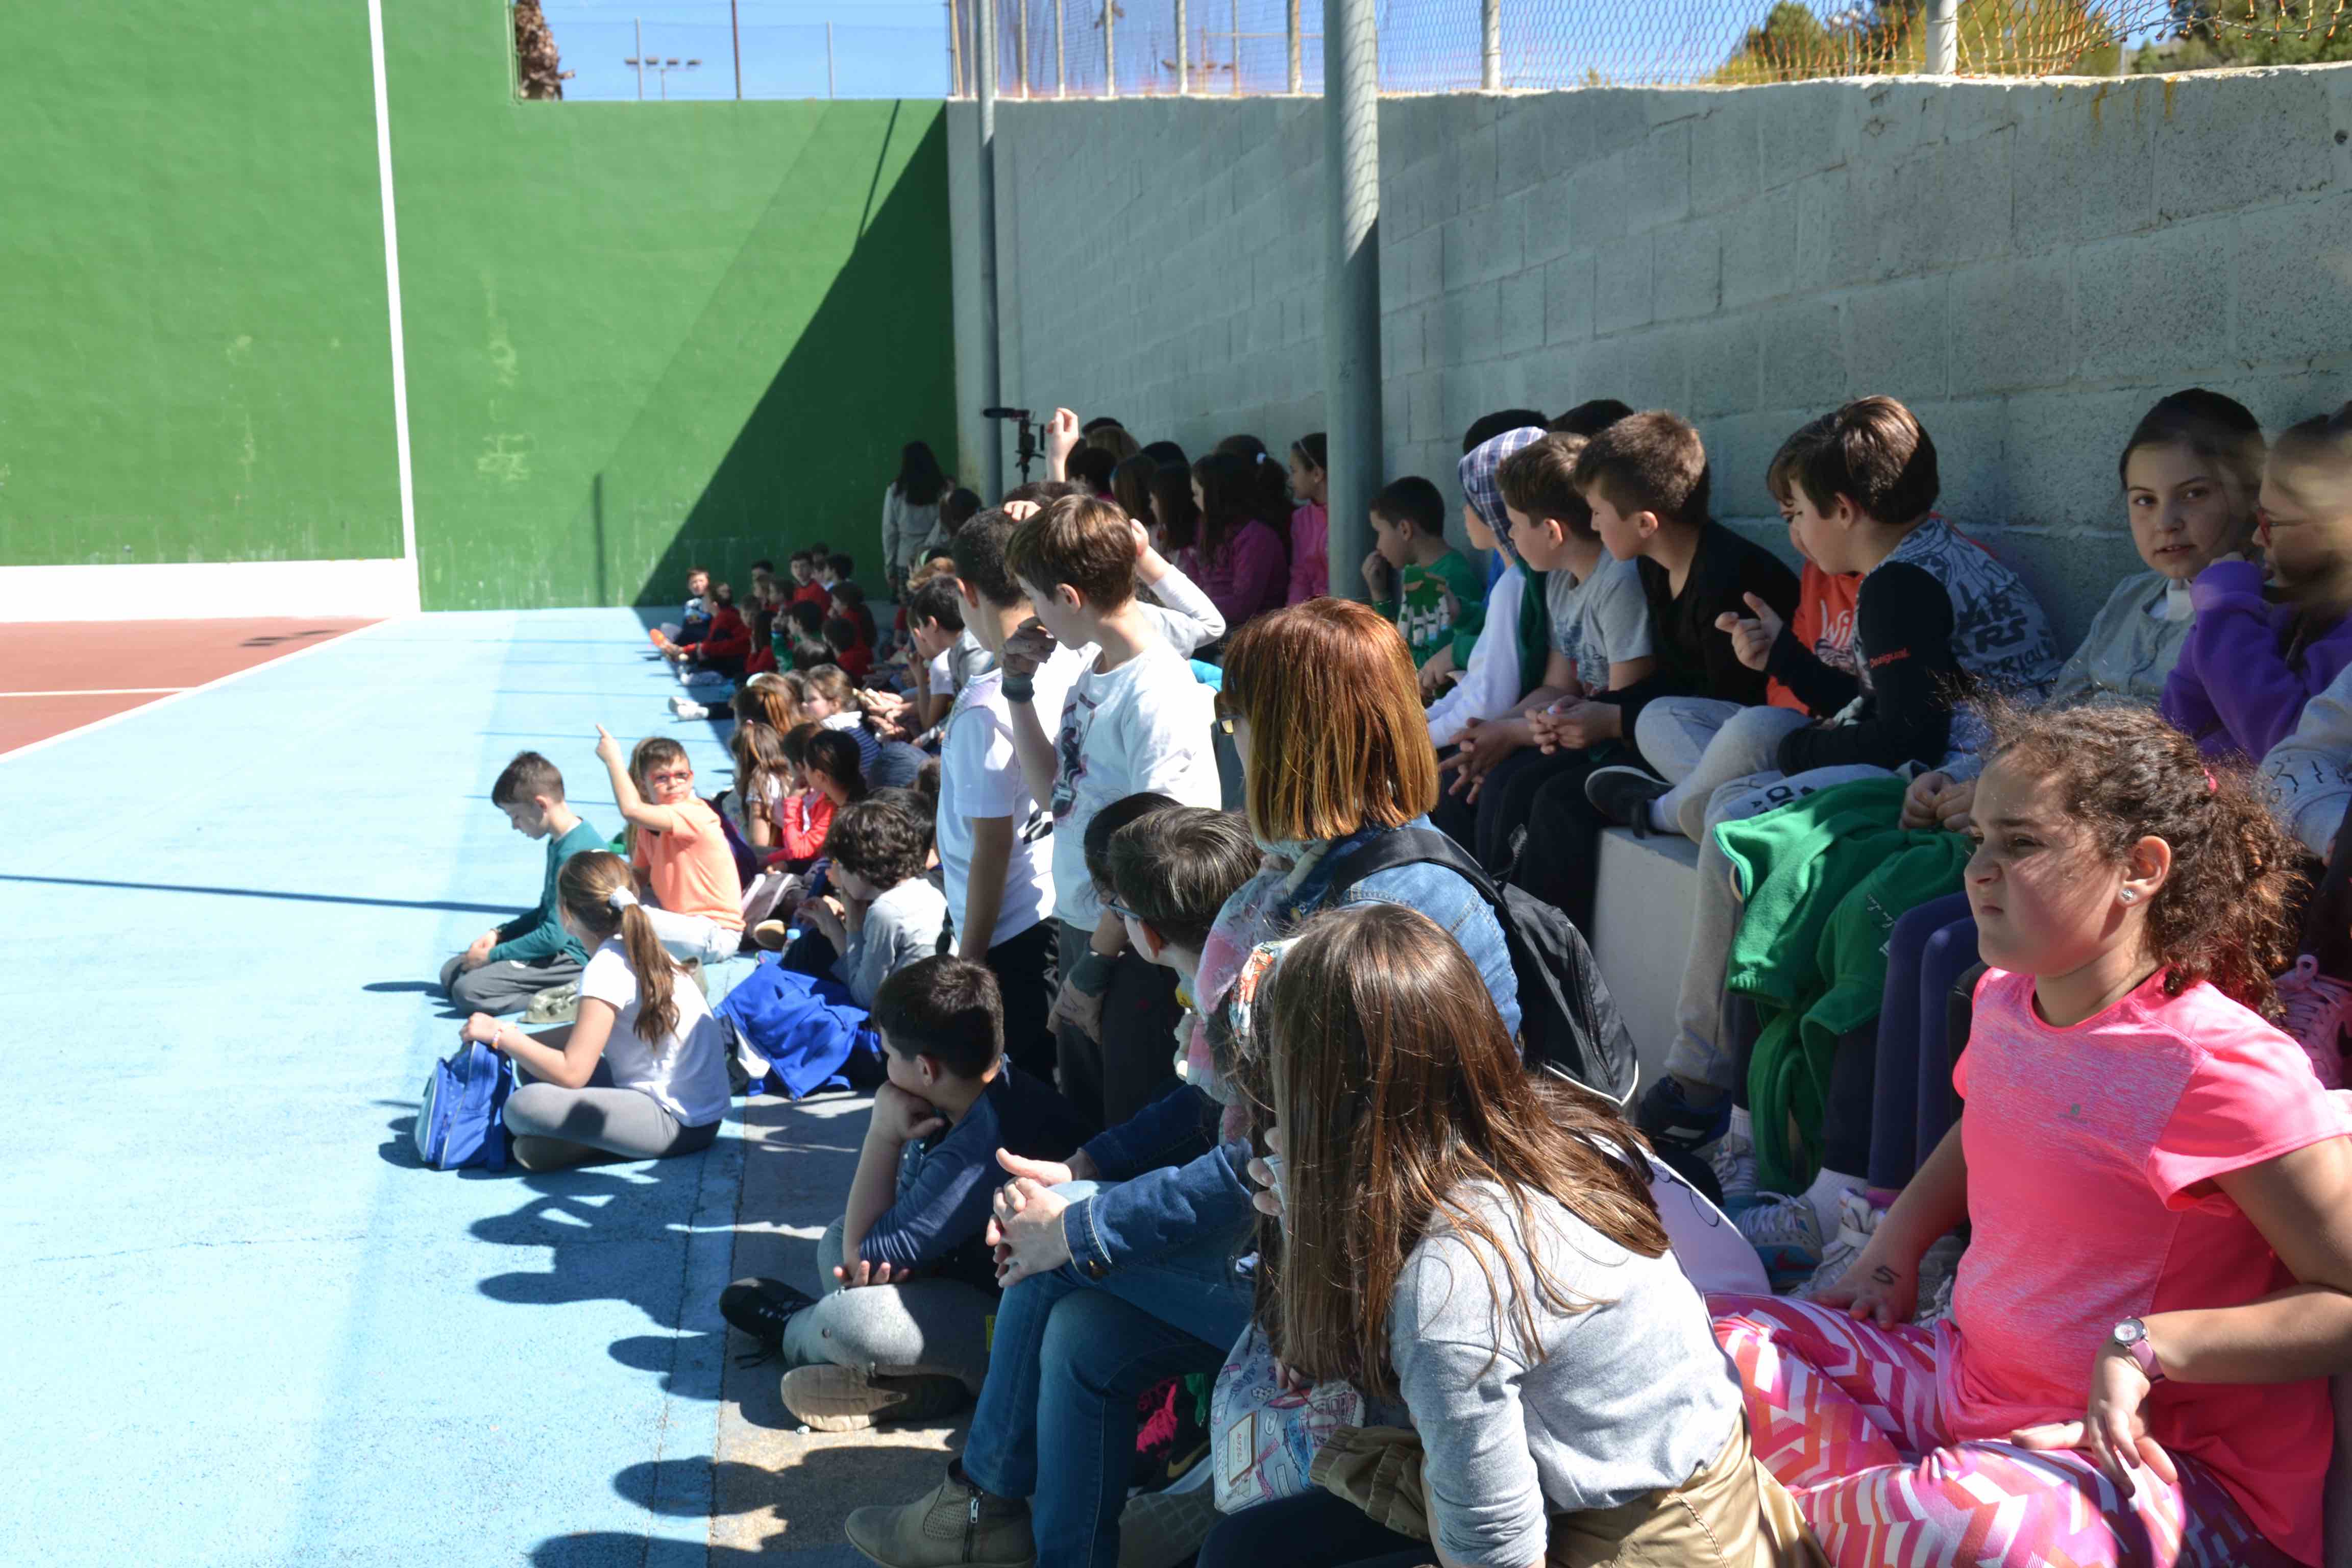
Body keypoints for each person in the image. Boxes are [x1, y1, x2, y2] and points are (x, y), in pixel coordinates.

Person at [844, 598, 1520, 1568]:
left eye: (1239, 714)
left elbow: (1284, 1156)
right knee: (1077, 1329)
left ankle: (984, 1511)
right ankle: (1013, 1527)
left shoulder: (1397, 909)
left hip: (1376, 1288)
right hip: (1302, 1239)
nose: (1226, 733)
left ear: (1293, 731)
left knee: (1057, 1262)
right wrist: (1086, 1163)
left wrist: (1081, 1219)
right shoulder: (1310, 879)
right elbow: (1224, 1106)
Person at [1712, 701, 2352, 1568]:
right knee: (1712, 1341)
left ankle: (1861, 1513)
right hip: (1963, 1377)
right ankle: (1868, 1513)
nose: (1978, 869)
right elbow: (1989, 1124)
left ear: (2139, 869)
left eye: (2019, 844)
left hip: (2152, 1465)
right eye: (1978, 838)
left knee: (1956, 1525)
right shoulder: (2004, 997)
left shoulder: (2220, 1067)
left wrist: (2150, 1347)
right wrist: (1889, 1253)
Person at [1199, 903, 1803, 1568]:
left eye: (1285, 1089)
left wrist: (1324, 1215)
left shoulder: (1453, 1283)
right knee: (1242, 1550)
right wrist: (1325, 1214)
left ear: (1333, 1102)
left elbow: (1496, 1556)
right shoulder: (1530, 1130)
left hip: (1648, 1538)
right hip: (1602, 1487)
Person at [720, 956, 1094, 1430]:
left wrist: (883, 1133)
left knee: (851, 1319)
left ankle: (800, 1330)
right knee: (836, 1239)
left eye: (889, 1053)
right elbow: (877, 1238)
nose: (883, 1064)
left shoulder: (981, 1145)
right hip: (967, 1281)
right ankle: (925, 1387)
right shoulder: (981, 1088)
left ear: (924, 1069)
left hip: (1015, 1333)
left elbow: (861, 1259)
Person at [997, 495, 1223, 1131]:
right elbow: (1056, 798)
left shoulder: (1158, 694)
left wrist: (1095, 966)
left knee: (1130, 1129)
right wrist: (1017, 691)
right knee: (1089, 1121)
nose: (1031, 615)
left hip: (1135, 952)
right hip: (1086, 930)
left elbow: (1164, 854)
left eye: (1034, 597)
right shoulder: (1092, 672)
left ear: (1069, 598)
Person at [1587, 416, 1861, 842]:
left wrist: (1613, 717)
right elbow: (1681, 686)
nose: (1592, 526)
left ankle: (1673, 809)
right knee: (1655, 719)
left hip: (1789, 741)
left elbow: (1740, 700)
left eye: (1799, 514)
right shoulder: (1652, 567)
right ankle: (1714, 800)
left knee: (1749, 729)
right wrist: (1611, 711)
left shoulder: (1727, 576)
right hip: (1779, 740)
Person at [1436, 428, 1656, 870]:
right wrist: (1492, 730)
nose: (1510, 537)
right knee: (1469, 778)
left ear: (1553, 532)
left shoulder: (1619, 582)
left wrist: (1513, 733)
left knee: (1517, 791)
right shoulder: (1559, 579)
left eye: (1515, 525)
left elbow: (1619, 706)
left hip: (1613, 741)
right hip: (1569, 729)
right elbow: (1559, 684)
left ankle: (1524, 924)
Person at [462, 849, 731, 1171]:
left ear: (567, 914)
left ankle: (587, 1145)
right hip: (699, 1114)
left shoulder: (606, 967)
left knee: (523, 1105)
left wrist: (501, 1036)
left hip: (677, 1124)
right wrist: (523, 1043)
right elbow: (590, 1035)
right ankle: (584, 1144)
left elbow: (572, 1074)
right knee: (532, 1066)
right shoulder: (641, 947)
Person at [938, 509, 1088, 1085]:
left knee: (1024, 1086)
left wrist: (968, 959)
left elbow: (992, 847)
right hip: (1056, 908)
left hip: (1008, 934)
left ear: (964, 592)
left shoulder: (984, 706)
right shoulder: (1071, 654)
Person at [2163, 401, 2352, 761]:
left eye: (2271, 522)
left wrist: (2224, 609)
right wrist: (2209, 628)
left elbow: (2287, 747)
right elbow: (2174, 725)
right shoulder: (2292, 609)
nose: (2257, 538)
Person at [441, 750, 605, 1015]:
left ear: (541, 805)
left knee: (467, 991)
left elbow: (554, 937)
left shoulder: (575, 853)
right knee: (452, 972)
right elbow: (546, 911)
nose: (515, 826)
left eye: (515, 816)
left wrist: (493, 956)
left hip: (574, 956)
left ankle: (571, 996)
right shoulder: (559, 841)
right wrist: (500, 934)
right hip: (556, 944)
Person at [596, 729, 744, 965]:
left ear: (692, 778)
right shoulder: (649, 828)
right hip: (679, 923)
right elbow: (640, 877)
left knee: (626, 918)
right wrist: (602, 884)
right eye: (661, 778)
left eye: (681, 775)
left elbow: (631, 811)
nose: (673, 784)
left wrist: (613, 758)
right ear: (644, 787)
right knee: (606, 905)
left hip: (714, 933)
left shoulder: (696, 813)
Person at [791, 796, 948, 1010]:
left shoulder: (886, 911)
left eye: (841, 864)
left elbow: (865, 998)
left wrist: (849, 925)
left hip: (901, 1020)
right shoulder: (924, 890)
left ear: (860, 868)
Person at [1360, 474, 1485, 675]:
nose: (1378, 546)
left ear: (1404, 530)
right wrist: (1380, 594)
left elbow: (1424, 665)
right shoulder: (1416, 571)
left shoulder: (1452, 577)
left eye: (1380, 532)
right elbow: (1403, 645)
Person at [1187, 450, 1290, 632]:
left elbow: (1244, 604)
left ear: (1215, 494)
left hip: (1253, 631)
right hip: (1217, 623)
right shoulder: (1210, 530)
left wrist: (1191, 609)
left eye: (1196, 493)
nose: (1193, 500)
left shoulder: (1256, 537)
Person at [884, 440, 951, 584]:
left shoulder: (895, 491)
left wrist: (889, 567)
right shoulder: (943, 488)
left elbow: (889, 532)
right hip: (936, 558)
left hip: (906, 559)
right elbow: (945, 522)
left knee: (909, 605)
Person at [1284, 432, 1329, 606]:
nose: (1290, 479)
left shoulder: (1350, 515)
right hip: (1313, 616)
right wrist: (1293, 619)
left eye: (1294, 471)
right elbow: (1300, 577)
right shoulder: (1301, 519)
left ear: (1317, 473)